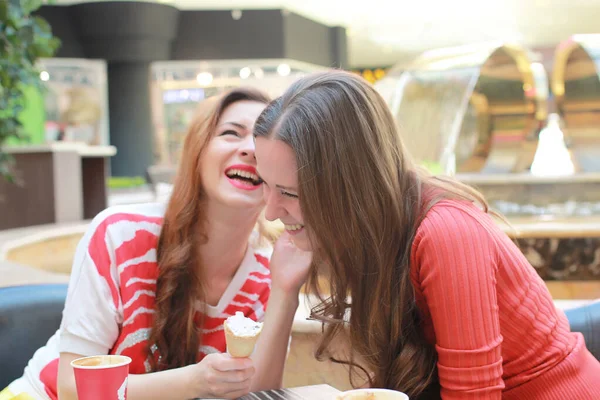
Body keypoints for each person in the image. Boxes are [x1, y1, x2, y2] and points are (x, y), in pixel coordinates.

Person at [253, 70, 600, 400]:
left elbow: (472, 395)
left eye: (291, 193)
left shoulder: (446, 233)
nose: (270, 211)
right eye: (264, 185)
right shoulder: (379, 233)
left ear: (350, 186)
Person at [1, 87, 306, 400]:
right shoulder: (120, 235)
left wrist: (285, 292)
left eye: (261, 141)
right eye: (231, 133)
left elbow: (259, 394)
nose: (250, 150)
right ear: (197, 150)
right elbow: (73, 386)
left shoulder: (269, 270)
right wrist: (197, 381)